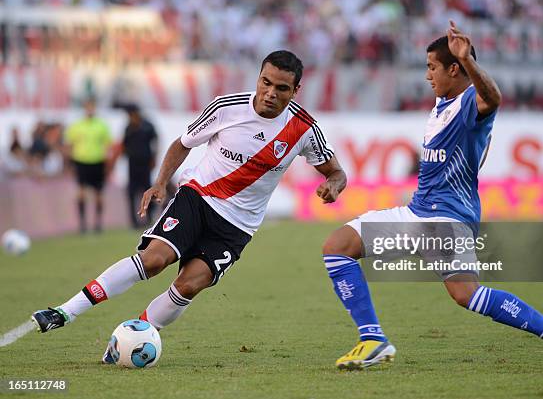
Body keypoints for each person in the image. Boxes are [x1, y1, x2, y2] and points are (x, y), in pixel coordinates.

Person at [31, 50, 347, 362]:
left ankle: (133, 337)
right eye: (266, 82)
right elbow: (183, 144)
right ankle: (64, 312)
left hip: (237, 226)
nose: (270, 93)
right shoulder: (228, 107)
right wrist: (159, 183)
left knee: (189, 284)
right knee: (154, 261)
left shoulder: (305, 129)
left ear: (295, 91)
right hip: (198, 198)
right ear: (258, 77)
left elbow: (336, 171)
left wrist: (333, 184)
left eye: (281, 88)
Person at [321, 21, 543, 371]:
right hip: (417, 213)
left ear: (455, 68)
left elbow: (493, 98)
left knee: (466, 295)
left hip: (447, 218)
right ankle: (373, 340)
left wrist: (471, 62)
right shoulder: (442, 106)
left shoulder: (468, 107)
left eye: (432, 68)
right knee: (337, 247)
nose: (427, 76)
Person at [64, 99, 112, 233]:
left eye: (92, 107)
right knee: (81, 193)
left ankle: (98, 223)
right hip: (81, 162)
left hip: (97, 162)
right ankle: (83, 224)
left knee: (99, 194)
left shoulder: (101, 125)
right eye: (88, 107)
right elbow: (69, 144)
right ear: (84, 108)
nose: (90, 110)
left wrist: (108, 164)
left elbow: (108, 145)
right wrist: (69, 163)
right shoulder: (77, 125)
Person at [110, 104, 159, 229]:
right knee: (131, 192)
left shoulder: (148, 126)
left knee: (147, 190)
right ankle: (134, 220)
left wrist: (154, 158)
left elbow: (155, 142)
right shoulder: (128, 128)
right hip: (132, 164)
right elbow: (124, 145)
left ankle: (149, 216)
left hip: (145, 164)